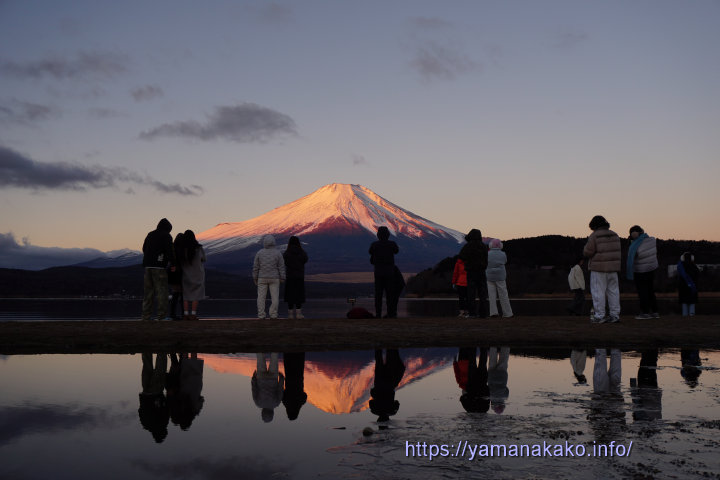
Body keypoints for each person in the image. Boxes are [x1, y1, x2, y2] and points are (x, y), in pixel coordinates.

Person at [583, 215, 621, 323]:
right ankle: (615, 315)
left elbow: (588, 252)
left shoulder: (594, 235)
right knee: (613, 292)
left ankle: (599, 315)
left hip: (598, 268)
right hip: (613, 269)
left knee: (598, 292)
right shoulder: (615, 234)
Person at [142, 218, 174, 321]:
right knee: (162, 292)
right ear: (168, 228)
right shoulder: (166, 236)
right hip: (159, 267)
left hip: (148, 266)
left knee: (148, 292)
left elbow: (144, 248)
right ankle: (161, 316)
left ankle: (146, 316)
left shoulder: (150, 234)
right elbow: (170, 251)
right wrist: (172, 263)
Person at [626, 225, 660, 319]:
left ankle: (645, 313)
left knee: (642, 292)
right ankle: (655, 311)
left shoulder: (636, 245)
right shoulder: (652, 240)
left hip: (640, 271)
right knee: (650, 291)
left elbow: (635, 256)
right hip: (652, 269)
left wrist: (632, 243)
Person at [369, 226, 399, 318]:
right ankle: (391, 313)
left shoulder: (374, 245)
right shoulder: (392, 244)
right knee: (390, 294)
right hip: (389, 273)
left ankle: (378, 314)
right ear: (388, 235)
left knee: (378, 294)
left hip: (378, 273)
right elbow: (396, 251)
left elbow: (370, 253)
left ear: (378, 235)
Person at [253, 235, 285, 319]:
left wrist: (255, 277)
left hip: (262, 277)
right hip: (274, 278)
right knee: (275, 297)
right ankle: (273, 314)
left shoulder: (259, 252)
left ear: (264, 242)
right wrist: (282, 277)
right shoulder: (278, 253)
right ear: (274, 242)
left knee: (261, 297)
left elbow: (256, 267)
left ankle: (261, 314)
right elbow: (281, 266)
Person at [459, 229, 489, 318]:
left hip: (471, 272)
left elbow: (461, 257)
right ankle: (483, 313)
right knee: (482, 293)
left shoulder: (467, 246)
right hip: (481, 272)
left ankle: (472, 313)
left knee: (471, 293)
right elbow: (486, 257)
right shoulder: (484, 246)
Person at [179, 230, 206, 321]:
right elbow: (203, 259)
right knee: (196, 295)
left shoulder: (182, 249)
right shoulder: (198, 248)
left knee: (186, 295)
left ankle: (186, 315)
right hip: (198, 274)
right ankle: (193, 314)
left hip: (186, 275)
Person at [252, 353, 284, 423]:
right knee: (260, 358)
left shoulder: (276, 403)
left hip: (273, 379)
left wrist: (281, 378)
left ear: (272, 414)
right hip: (261, 378)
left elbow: (280, 390)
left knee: (274, 358)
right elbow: (254, 389)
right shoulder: (258, 403)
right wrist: (253, 378)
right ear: (262, 414)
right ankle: (259, 344)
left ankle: (275, 344)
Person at [486, 239, 513, 318]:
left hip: (490, 276)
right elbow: (505, 261)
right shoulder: (503, 254)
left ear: (490, 245)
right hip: (500, 276)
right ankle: (508, 313)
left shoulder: (487, 254)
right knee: (504, 295)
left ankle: (493, 313)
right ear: (500, 245)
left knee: (491, 296)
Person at [283, 236, 308, 319]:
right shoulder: (302, 252)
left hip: (290, 276)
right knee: (299, 294)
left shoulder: (287, 253)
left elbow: (285, 261)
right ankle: (299, 313)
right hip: (299, 276)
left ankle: (290, 314)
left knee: (290, 294)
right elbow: (305, 260)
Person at [168, 233, 184, 320]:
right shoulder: (182, 250)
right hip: (180, 274)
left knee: (175, 294)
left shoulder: (172, 248)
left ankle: (172, 313)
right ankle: (183, 313)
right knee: (181, 295)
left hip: (173, 275)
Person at [677, 252, 699, 317]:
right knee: (692, 302)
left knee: (684, 302)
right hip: (692, 287)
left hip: (683, 287)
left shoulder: (680, 266)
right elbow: (697, 276)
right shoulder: (694, 266)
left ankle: (685, 315)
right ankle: (692, 314)